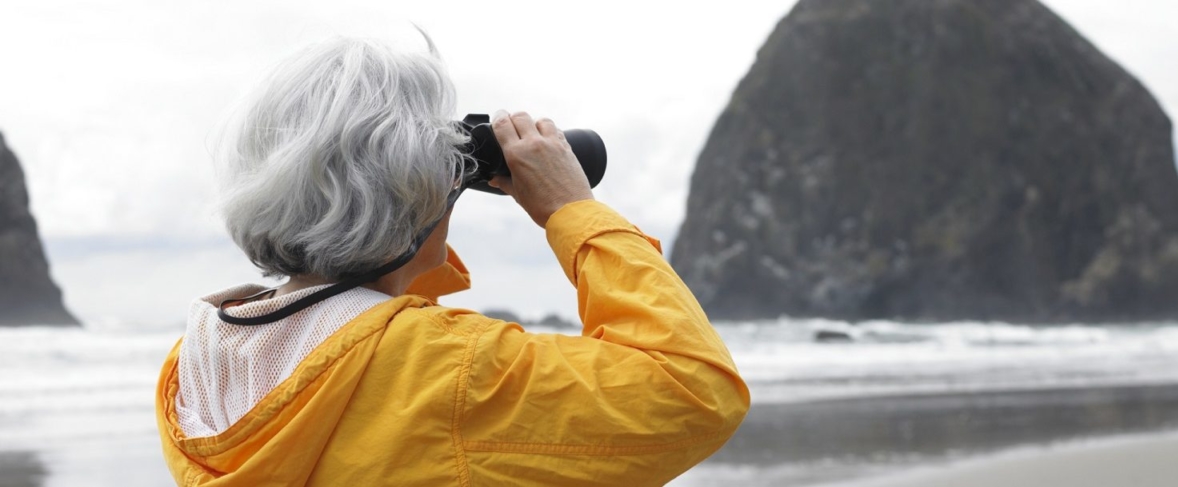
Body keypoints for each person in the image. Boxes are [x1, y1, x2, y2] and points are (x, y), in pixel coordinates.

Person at [155, 35, 749, 486]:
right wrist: (572, 209)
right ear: (410, 188)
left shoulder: (197, 365)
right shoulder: (451, 372)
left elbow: (365, 350)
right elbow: (692, 392)